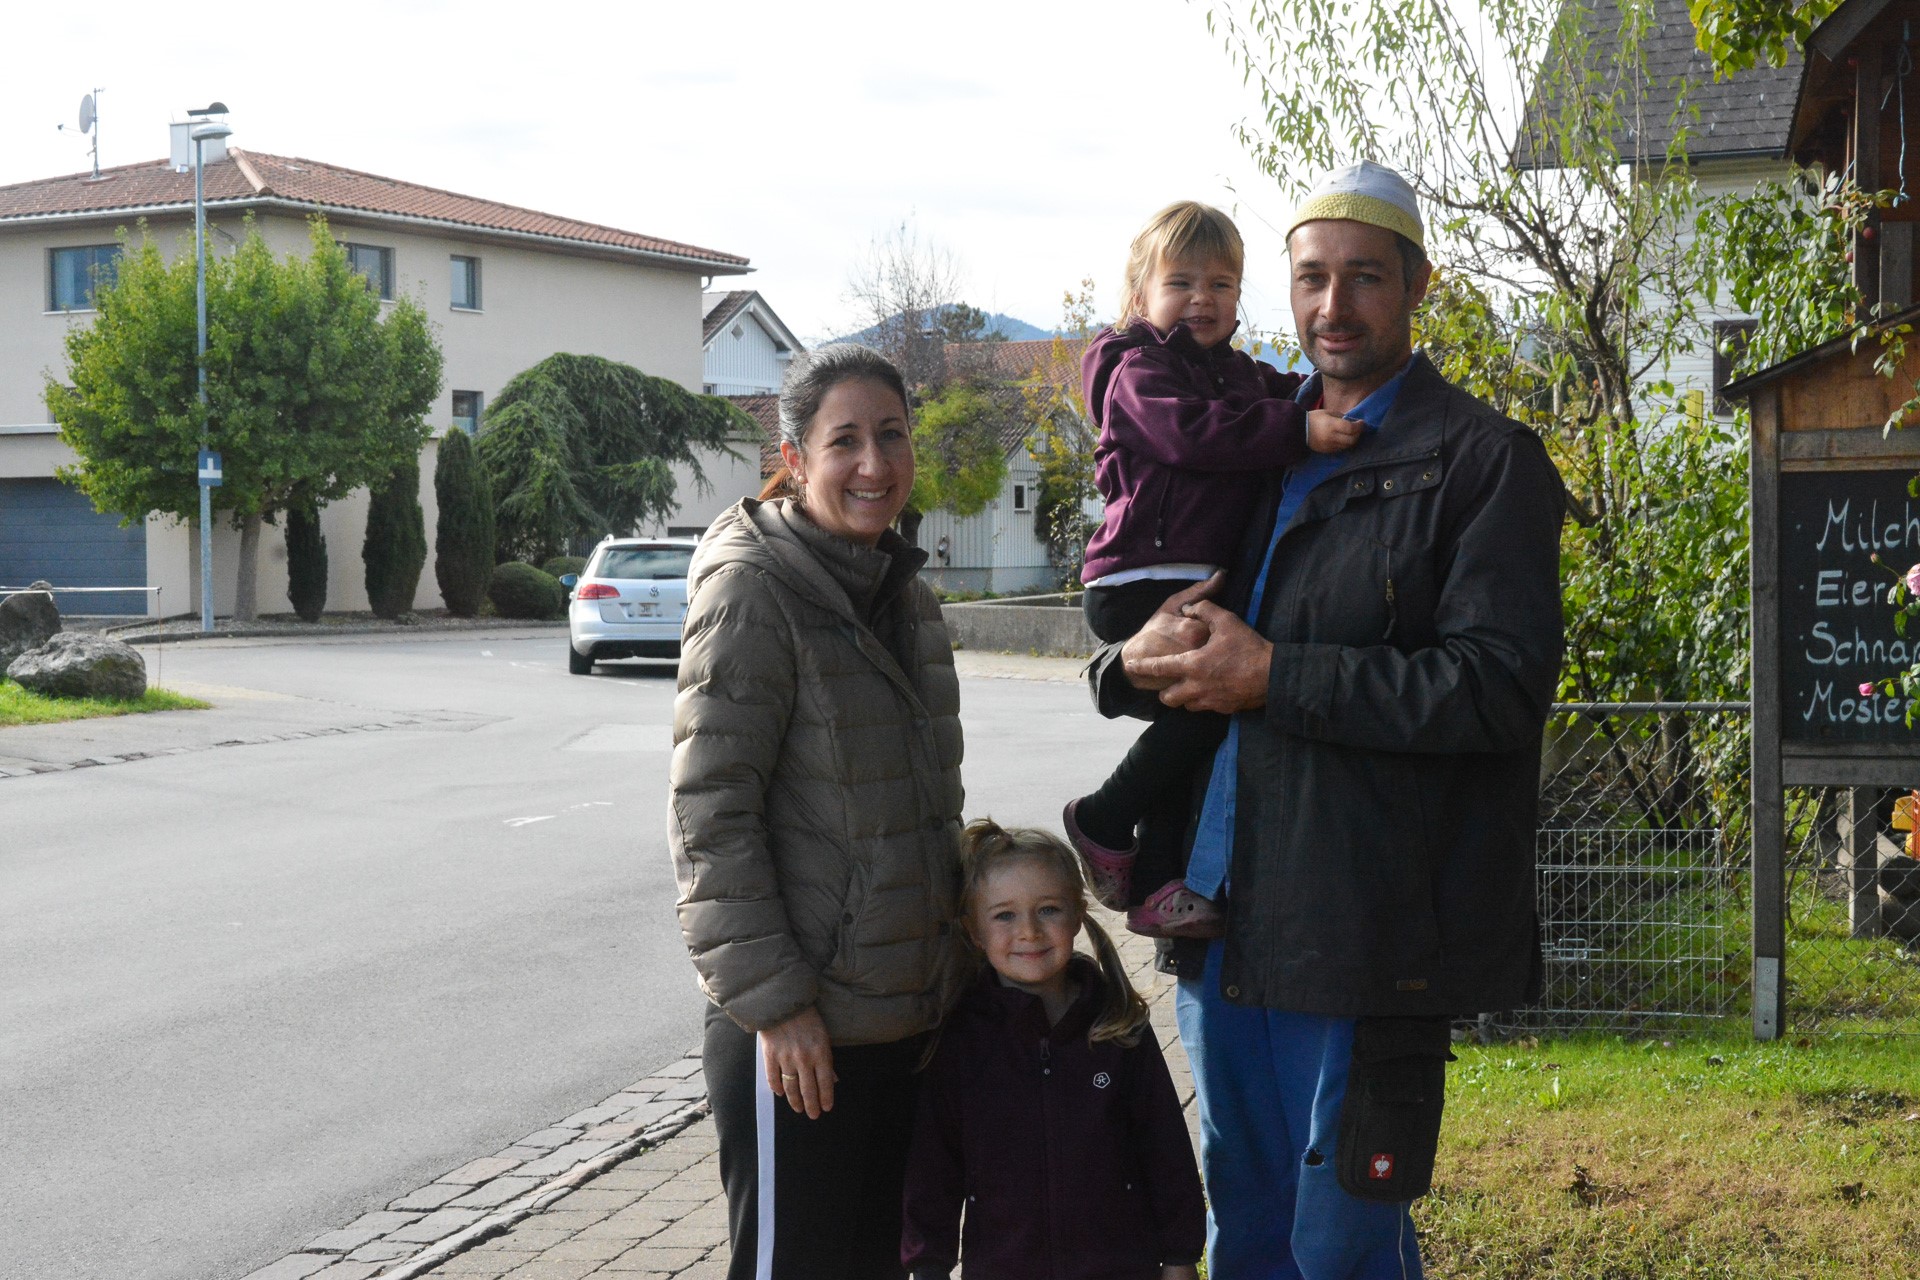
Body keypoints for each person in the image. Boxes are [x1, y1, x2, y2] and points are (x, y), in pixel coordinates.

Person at [1088, 162, 1566, 1278]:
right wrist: (1120, 665)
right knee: (1246, 1235)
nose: (1333, 306)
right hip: (1218, 920)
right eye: (1311, 278)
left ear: (1418, 285)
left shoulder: (1483, 461)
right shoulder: (1258, 443)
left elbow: (1496, 687)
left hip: (1365, 934)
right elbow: (1159, 604)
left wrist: (1277, 677)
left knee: (1341, 1247)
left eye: (1364, 277)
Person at [669, 343, 966, 1280]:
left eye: (892, 435)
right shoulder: (752, 590)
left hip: (901, 1027)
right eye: (845, 441)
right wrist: (778, 1005)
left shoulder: (907, 596)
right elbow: (710, 814)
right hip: (800, 1041)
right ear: (795, 459)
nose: (874, 463)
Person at [1063, 200, 1362, 939]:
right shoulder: (1137, 371)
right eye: (1182, 282)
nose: (1203, 298)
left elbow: (1296, 389)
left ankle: (1157, 886)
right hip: (1139, 577)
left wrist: (1332, 395)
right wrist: (1297, 430)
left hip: (1186, 573)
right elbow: (1189, 434)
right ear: (1141, 294)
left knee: (1196, 719)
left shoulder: (1234, 373)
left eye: (1221, 284)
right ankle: (1104, 818)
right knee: (1212, 706)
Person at [900, 820, 1206, 1280]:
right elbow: (933, 1168)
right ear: (973, 929)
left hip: (1120, 1267)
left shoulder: (1117, 1025)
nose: (1029, 932)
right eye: (1004, 915)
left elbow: (1165, 1149)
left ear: (1078, 915)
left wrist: (1181, 1256)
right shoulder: (961, 1041)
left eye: (1048, 910)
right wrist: (928, 1264)